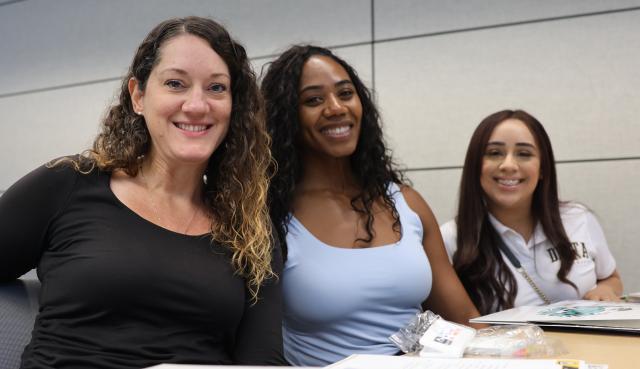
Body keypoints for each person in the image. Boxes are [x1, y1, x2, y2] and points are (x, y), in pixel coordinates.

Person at [0, 17, 284, 368]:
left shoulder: (250, 227)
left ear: (233, 105)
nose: (197, 105)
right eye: (176, 84)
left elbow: (262, 361)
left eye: (216, 88)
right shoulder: (69, 185)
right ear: (138, 96)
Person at [261, 45, 482, 367]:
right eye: (313, 100)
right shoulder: (270, 215)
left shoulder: (406, 203)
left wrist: (524, 355)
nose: (336, 108)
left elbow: (464, 317)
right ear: (286, 118)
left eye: (345, 93)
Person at [440, 109, 623, 315]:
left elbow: (610, 277)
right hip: (505, 348)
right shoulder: (450, 239)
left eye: (524, 154)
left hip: (589, 345)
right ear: (475, 166)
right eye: (494, 153)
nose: (508, 165)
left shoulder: (578, 218)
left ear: (543, 168)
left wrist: (605, 289)